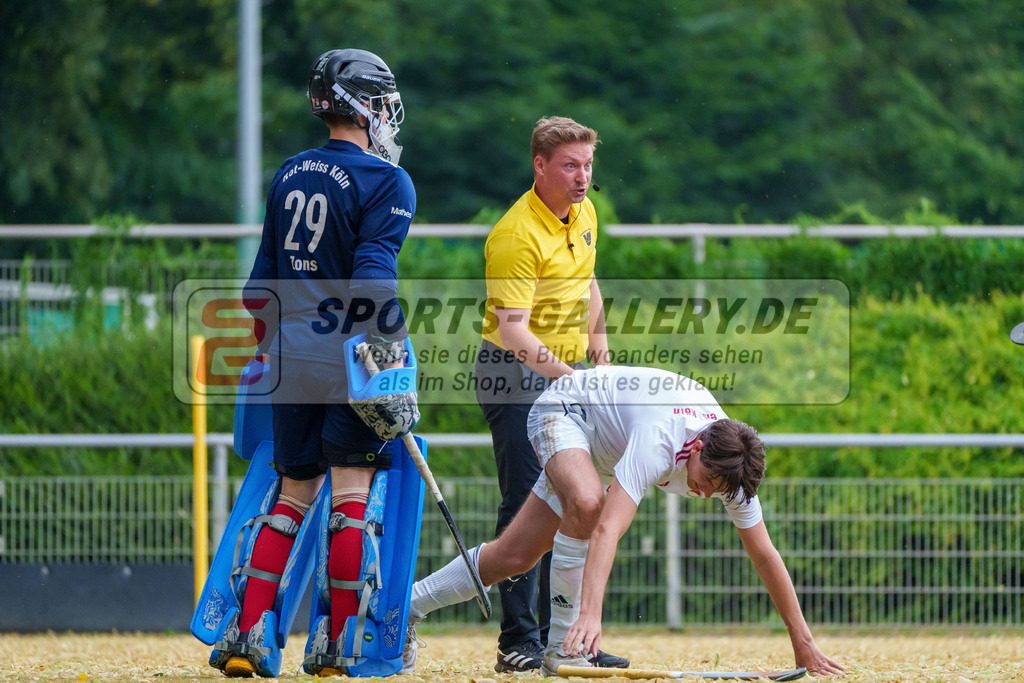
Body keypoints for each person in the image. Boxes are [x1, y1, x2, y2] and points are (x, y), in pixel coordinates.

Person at [404, 365, 846, 678]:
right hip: (565, 408)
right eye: (706, 480)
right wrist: (590, 618)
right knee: (587, 502)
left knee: (514, 556)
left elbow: (765, 555)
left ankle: (406, 607)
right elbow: (606, 530)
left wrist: (802, 641)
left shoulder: (732, 467)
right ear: (694, 449)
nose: (707, 493)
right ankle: (562, 650)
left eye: (718, 490)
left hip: (604, 446)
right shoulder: (660, 439)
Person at [212, 48, 417, 677]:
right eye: (380, 101)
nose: (386, 114)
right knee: (352, 497)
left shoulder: (288, 173)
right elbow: (373, 284)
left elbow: (258, 291)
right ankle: (334, 646)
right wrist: (391, 360)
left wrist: (267, 354)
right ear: (362, 105)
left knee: (292, 495)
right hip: (350, 359)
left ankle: (248, 635)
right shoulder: (389, 182)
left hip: (289, 356)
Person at [473, 116, 627, 673]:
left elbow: (587, 284)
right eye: (570, 165)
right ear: (540, 166)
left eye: (587, 164)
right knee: (525, 506)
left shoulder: (583, 212)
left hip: (565, 374)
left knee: (580, 501)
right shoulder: (516, 235)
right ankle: (518, 641)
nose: (583, 177)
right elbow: (513, 331)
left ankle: (568, 642)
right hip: (514, 375)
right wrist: (574, 378)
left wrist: (601, 356)